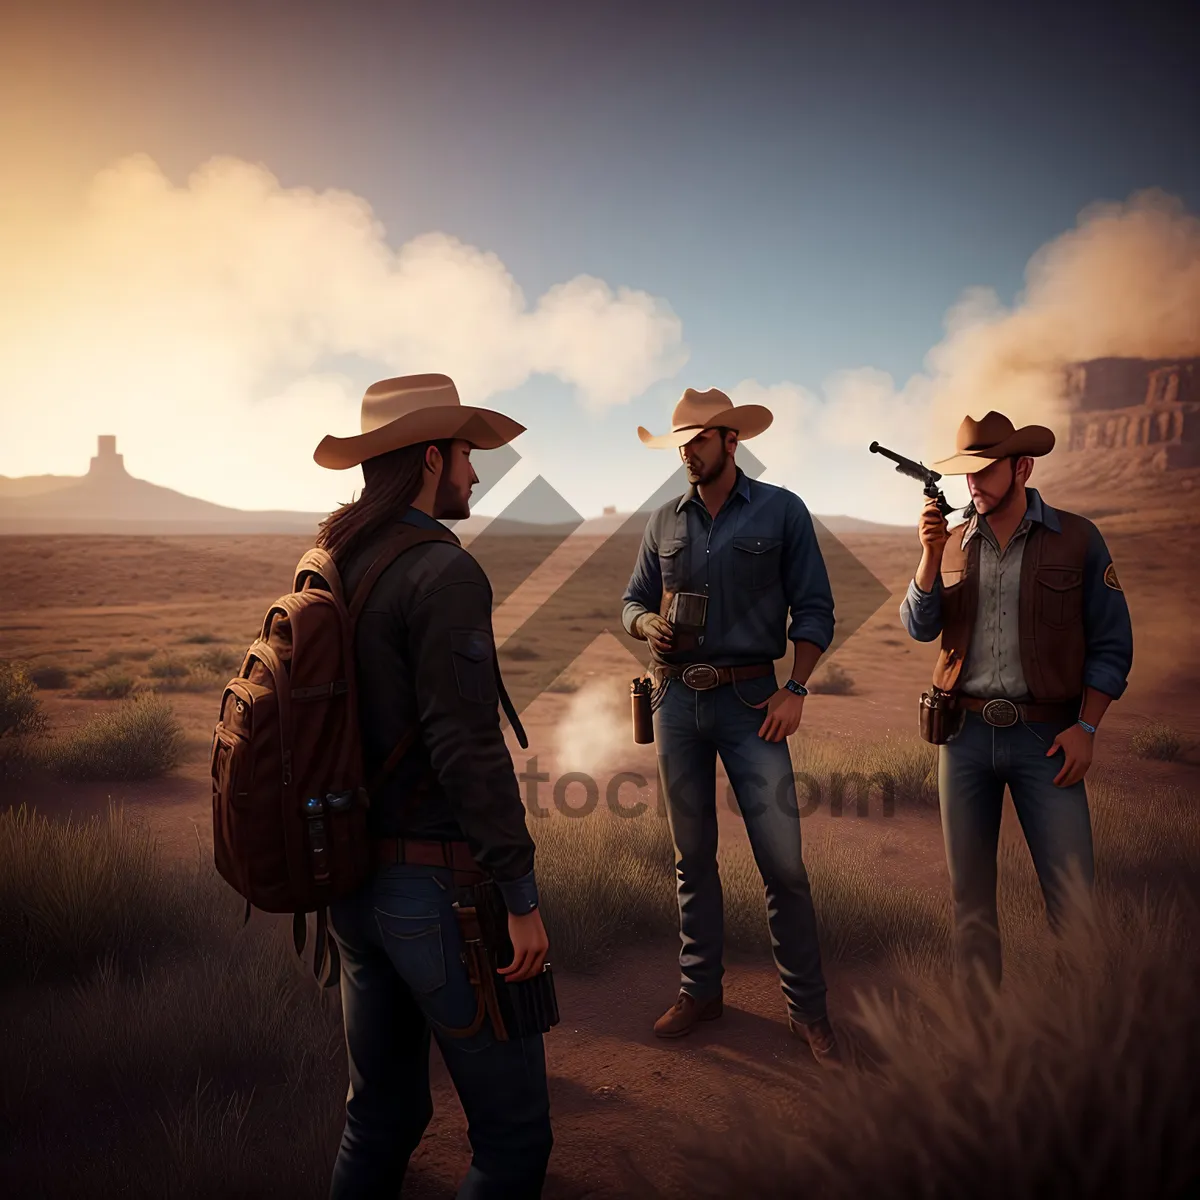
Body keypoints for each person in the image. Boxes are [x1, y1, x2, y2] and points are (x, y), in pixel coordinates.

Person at [312, 374, 553, 1198]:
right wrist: (519, 894)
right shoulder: (443, 573)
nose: (475, 475)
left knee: (378, 1119)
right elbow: (466, 747)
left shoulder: (335, 559)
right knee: (514, 1140)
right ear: (428, 459)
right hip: (438, 894)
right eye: (465, 457)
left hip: (350, 884)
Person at [621, 386, 842, 1067]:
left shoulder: (782, 511)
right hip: (676, 705)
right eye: (679, 442)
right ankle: (700, 991)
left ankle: (808, 1011)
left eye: (698, 440)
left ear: (731, 442)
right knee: (692, 861)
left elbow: (815, 609)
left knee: (783, 864)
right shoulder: (663, 520)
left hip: (753, 704)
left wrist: (796, 688)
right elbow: (631, 600)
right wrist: (646, 623)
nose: (686, 451)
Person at [900, 410, 1133, 994]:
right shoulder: (950, 542)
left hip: (1047, 738)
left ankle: (1079, 1040)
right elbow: (918, 627)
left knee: (1072, 896)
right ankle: (981, 1043)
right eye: (966, 474)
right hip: (965, 737)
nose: (973, 484)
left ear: (1022, 467)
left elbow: (1112, 643)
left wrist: (1087, 727)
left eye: (985, 471)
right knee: (970, 902)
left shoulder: (1078, 538)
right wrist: (929, 558)